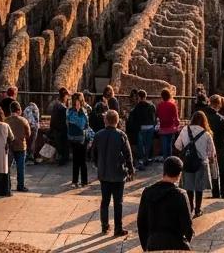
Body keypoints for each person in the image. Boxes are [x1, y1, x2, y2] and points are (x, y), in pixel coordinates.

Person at [92, 108, 135, 236]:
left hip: (104, 173)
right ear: (117, 121)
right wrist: (131, 169)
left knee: (104, 202)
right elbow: (128, 155)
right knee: (118, 203)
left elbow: (93, 153)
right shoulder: (121, 135)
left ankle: (104, 226)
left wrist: (97, 164)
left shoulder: (98, 135)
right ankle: (118, 228)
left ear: (105, 120)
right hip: (118, 174)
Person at [138, 155, 194, 251]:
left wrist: (146, 246)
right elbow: (187, 226)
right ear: (179, 175)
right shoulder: (180, 194)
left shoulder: (147, 192)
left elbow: (141, 223)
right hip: (176, 244)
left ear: (164, 171)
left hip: (153, 243)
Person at [175, 110, 217, 217]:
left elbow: (178, 146)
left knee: (188, 187)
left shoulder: (185, 130)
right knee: (199, 188)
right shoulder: (206, 134)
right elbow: (211, 152)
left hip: (187, 162)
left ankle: (190, 207)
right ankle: (198, 209)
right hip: (201, 163)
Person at [127, 90, 158, 169]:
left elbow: (135, 119)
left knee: (141, 144)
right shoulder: (152, 105)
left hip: (142, 127)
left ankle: (141, 159)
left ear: (139, 97)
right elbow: (154, 117)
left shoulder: (137, 106)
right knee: (148, 143)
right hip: (151, 126)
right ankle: (147, 158)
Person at [5, 100, 31, 193]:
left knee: (7, 167)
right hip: (21, 146)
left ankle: (7, 185)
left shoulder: (5, 120)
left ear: (10, 110)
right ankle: (20, 186)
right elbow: (28, 134)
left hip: (10, 147)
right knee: (20, 167)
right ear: (19, 110)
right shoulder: (23, 120)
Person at [67, 92, 90, 187]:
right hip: (73, 138)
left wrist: (78, 115)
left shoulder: (83, 111)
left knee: (82, 161)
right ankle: (75, 181)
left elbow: (85, 125)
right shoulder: (70, 111)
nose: (77, 103)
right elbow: (70, 122)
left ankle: (84, 181)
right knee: (76, 161)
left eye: (79, 101)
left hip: (82, 138)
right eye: (75, 101)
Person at [156, 89, 181, 159]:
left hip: (163, 127)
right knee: (169, 144)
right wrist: (177, 125)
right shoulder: (172, 105)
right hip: (170, 128)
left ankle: (165, 159)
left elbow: (157, 115)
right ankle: (169, 159)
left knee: (164, 145)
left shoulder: (159, 105)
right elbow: (176, 118)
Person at [50, 88, 70, 165]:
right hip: (61, 128)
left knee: (60, 145)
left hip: (56, 128)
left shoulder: (56, 105)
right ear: (64, 96)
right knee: (63, 145)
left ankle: (62, 158)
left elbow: (53, 118)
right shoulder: (62, 107)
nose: (67, 98)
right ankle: (63, 159)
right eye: (67, 96)